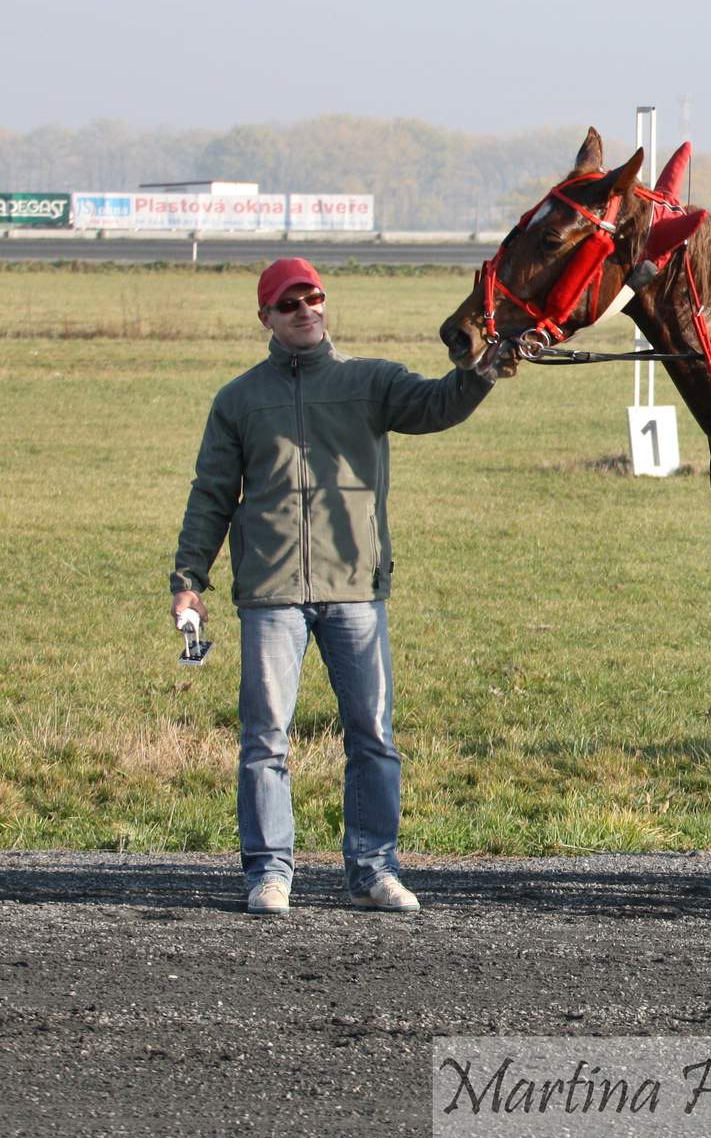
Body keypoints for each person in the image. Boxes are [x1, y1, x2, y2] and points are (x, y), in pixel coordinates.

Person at [170, 257, 504, 916]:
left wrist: (485, 369)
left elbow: (441, 404)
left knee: (373, 735)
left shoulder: (369, 381)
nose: (305, 310)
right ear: (265, 317)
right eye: (289, 303)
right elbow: (211, 494)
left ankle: (374, 869)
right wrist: (189, 580)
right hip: (269, 594)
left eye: (313, 297)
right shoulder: (237, 400)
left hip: (356, 590)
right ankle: (270, 873)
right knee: (266, 736)